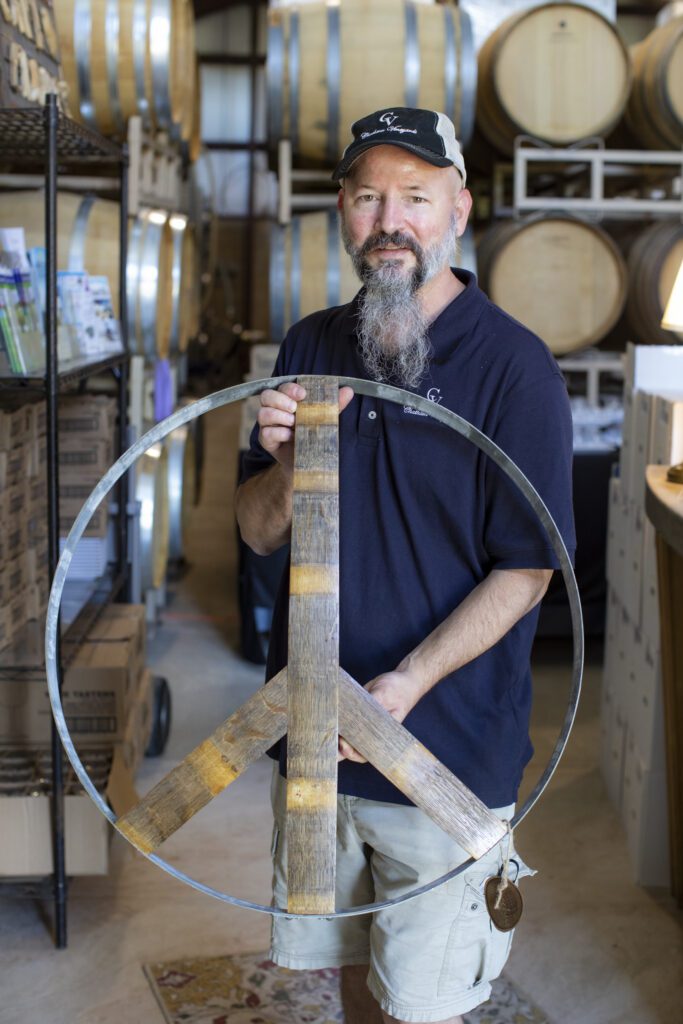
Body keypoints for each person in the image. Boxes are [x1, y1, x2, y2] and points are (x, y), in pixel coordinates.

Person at [235, 107, 575, 1024]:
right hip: (314, 744)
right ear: (343, 211)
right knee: (342, 969)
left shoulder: (515, 369)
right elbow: (258, 530)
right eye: (368, 196)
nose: (390, 219)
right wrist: (280, 466)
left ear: (458, 210)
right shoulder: (308, 345)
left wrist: (408, 683)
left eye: (415, 197)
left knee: (421, 1003)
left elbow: (528, 571)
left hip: (445, 756)